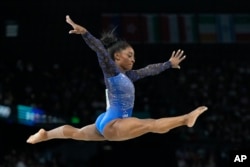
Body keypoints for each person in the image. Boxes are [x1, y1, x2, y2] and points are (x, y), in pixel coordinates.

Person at [26, 15, 207, 144]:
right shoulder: (111, 70)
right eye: (130, 55)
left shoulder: (129, 76)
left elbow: (149, 70)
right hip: (114, 123)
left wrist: (168, 64)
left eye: (134, 56)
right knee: (150, 124)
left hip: (106, 120)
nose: (133, 59)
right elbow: (100, 50)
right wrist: (86, 34)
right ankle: (186, 119)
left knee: (77, 133)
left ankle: (46, 134)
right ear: (117, 57)